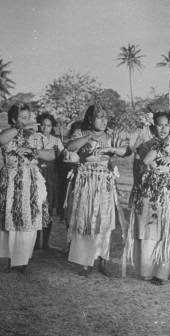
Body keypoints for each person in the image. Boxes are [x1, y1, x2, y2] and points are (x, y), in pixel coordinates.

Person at [124, 111, 170, 285]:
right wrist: (161, 146)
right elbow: (146, 161)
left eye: (166, 125)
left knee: (166, 229)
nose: (163, 128)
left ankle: (163, 271)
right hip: (150, 191)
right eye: (160, 125)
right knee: (151, 228)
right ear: (153, 127)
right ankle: (148, 269)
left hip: (167, 192)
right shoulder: (146, 144)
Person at [66, 104, 130, 277]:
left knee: (105, 220)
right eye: (99, 117)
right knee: (85, 219)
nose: (103, 120)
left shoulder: (111, 134)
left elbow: (126, 151)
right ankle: (85, 262)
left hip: (105, 182)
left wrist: (113, 149)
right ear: (90, 119)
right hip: (86, 182)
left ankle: (103, 260)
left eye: (105, 117)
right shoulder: (81, 133)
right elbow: (70, 147)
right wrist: (88, 138)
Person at [0, 104, 53, 274]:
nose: (28, 120)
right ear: (13, 119)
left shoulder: (38, 137)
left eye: (28, 117)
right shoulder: (4, 133)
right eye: (23, 117)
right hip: (11, 180)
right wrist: (19, 128)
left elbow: (51, 155)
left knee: (28, 218)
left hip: (30, 180)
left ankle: (23, 260)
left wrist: (34, 150)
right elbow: (0, 141)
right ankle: (11, 260)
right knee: (10, 218)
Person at [34, 112, 65, 250]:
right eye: (43, 125)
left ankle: (45, 242)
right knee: (36, 208)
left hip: (51, 175)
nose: (45, 128)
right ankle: (35, 242)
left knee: (48, 209)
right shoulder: (33, 138)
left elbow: (63, 157)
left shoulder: (56, 140)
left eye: (48, 125)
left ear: (52, 127)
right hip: (37, 173)